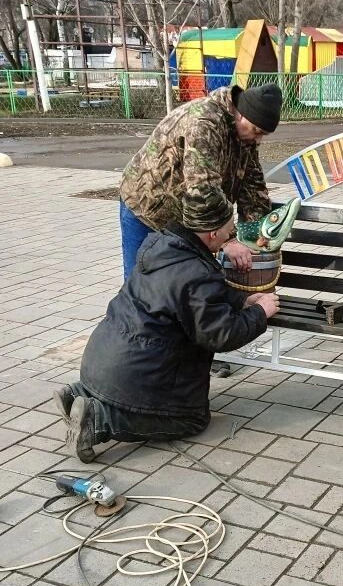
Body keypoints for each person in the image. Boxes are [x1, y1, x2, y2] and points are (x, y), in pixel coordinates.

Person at [54, 184, 279, 462]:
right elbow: (219, 335)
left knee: (129, 394)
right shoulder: (196, 271)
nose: (230, 234)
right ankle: (100, 421)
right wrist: (260, 313)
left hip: (100, 363)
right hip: (140, 375)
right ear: (213, 233)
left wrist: (240, 301)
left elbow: (190, 296)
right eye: (228, 229)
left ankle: (78, 393)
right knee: (193, 420)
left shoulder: (161, 245)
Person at [119, 82, 283, 278]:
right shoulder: (204, 122)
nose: (258, 140)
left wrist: (255, 236)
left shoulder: (244, 136)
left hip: (185, 220)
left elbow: (253, 187)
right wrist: (228, 240)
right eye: (256, 131)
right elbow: (202, 189)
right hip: (147, 207)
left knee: (179, 288)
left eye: (263, 135)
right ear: (240, 113)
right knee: (139, 284)